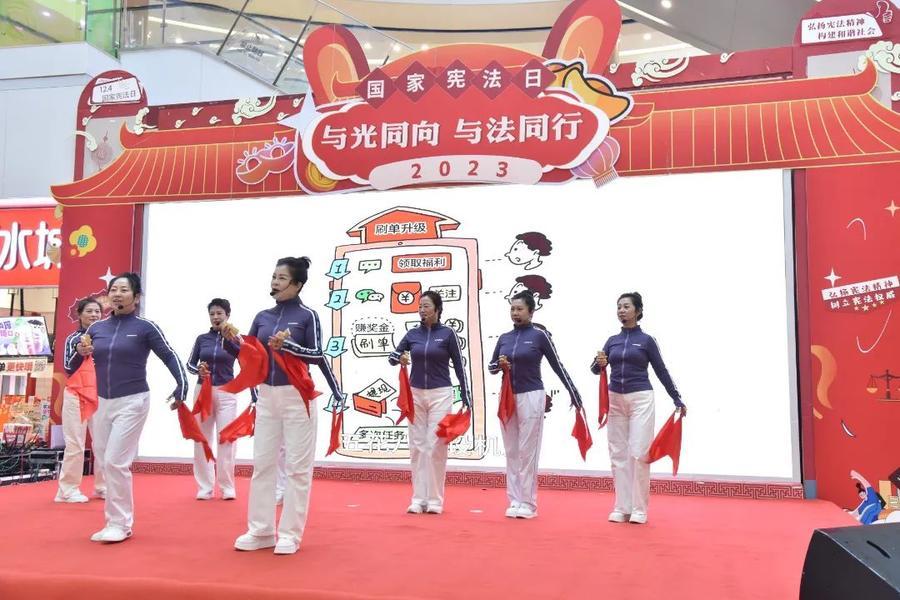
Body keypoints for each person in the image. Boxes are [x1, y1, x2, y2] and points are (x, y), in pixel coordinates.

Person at [232, 256, 343, 555]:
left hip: (297, 398)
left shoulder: (308, 316)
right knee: (263, 465)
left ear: (297, 284)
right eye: (274, 277)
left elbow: (317, 355)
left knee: (297, 468)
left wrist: (289, 346)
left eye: (281, 278)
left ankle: (290, 534)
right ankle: (260, 530)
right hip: (267, 396)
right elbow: (250, 355)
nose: (275, 282)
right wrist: (232, 341)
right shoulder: (262, 316)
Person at [73, 273, 187, 543]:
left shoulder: (145, 327)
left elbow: (169, 355)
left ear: (136, 297)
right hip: (101, 401)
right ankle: (113, 521)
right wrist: (80, 351)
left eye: (124, 290)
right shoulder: (96, 328)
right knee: (105, 461)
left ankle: (120, 523)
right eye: (113, 289)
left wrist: (181, 385)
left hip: (133, 400)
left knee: (115, 461)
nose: (117, 294)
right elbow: (76, 363)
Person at [592, 291, 686, 525]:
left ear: (638, 311)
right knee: (618, 453)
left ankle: (639, 509)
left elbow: (661, 370)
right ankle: (621, 506)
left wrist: (676, 398)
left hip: (641, 398)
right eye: (619, 307)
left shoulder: (646, 341)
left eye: (626, 306)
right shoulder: (612, 340)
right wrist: (599, 363)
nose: (621, 310)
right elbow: (595, 368)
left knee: (639, 452)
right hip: (615, 398)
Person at [488, 291, 582, 519]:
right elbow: (491, 367)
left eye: (520, 309)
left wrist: (573, 392)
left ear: (531, 311)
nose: (515, 313)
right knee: (511, 451)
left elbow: (557, 365)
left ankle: (528, 503)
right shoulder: (504, 338)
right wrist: (500, 365)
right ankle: (514, 500)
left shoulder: (540, 336)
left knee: (527, 451)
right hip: (507, 397)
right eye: (512, 309)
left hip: (531, 395)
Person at [388, 290, 471, 515]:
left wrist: (466, 395)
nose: (422, 310)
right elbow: (392, 357)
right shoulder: (412, 334)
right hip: (415, 393)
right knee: (417, 446)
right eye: (420, 306)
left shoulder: (448, 334)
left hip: (441, 393)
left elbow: (459, 365)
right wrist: (400, 358)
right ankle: (418, 499)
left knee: (435, 445)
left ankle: (435, 500)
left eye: (426, 306)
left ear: (437, 309)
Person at [186, 298, 242, 500]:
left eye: (219, 313)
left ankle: (227, 487)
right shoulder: (202, 339)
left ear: (228, 315)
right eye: (212, 314)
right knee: (202, 438)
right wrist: (198, 370)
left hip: (227, 392)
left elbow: (246, 361)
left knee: (226, 438)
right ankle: (205, 486)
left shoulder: (236, 338)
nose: (215, 317)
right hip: (203, 391)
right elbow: (190, 364)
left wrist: (231, 340)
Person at [56, 297, 106, 503]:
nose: (94, 315)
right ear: (79, 314)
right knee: (75, 443)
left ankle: (103, 487)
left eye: (97, 311)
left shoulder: (105, 337)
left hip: (101, 394)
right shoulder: (73, 338)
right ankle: (67, 491)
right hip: (76, 394)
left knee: (103, 443)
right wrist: (79, 352)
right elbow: (68, 368)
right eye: (89, 311)